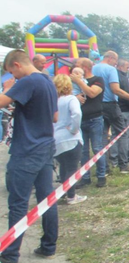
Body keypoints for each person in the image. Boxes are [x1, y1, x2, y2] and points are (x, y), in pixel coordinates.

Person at [0, 50, 58, 263]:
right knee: (46, 200)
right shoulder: (47, 81)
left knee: (18, 202)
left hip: (26, 149)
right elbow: (54, 117)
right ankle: (49, 247)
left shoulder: (27, 81)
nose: (13, 77)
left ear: (17, 65)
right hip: (45, 146)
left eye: (12, 72)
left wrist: (6, 89)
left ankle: (9, 256)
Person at [93, 51, 129, 175]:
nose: (116, 64)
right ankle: (123, 165)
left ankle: (104, 168)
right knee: (123, 134)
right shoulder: (111, 70)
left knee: (103, 137)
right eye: (115, 61)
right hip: (111, 105)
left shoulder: (94, 68)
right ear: (110, 58)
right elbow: (116, 90)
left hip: (97, 105)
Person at [71, 58, 106, 187]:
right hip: (80, 120)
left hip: (95, 119)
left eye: (77, 66)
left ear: (85, 68)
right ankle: (85, 177)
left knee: (97, 148)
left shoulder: (97, 80)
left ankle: (101, 176)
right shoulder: (74, 83)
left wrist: (79, 81)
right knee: (83, 151)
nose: (73, 69)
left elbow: (92, 93)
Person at [52, 74, 86, 205]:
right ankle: (71, 196)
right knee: (72, 168)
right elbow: (77, 113)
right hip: (70, 138)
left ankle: (64, 192)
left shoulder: (53, 101)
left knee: (64, 167)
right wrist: (73, 128)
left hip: (56, 139)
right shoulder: (71, 99)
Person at [109, 59, 129, 171]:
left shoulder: (114, 77)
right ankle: (127, 159)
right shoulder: (123, 78)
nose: (128, 69)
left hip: (116, 109)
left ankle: (114, 160)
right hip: (124, 110)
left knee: (115, 136)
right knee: (126, 135)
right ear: (120, 67)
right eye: (127, 67)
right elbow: (127, 94)